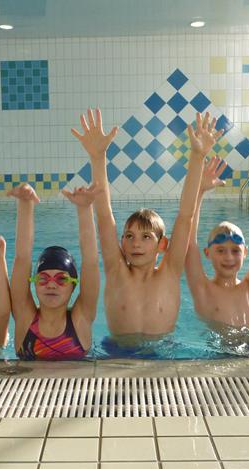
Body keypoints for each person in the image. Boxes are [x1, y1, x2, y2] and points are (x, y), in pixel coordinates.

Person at [72, 108, 222, 343]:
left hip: (163, 355)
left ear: (162, 244)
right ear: (121, 242)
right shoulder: (116, 271)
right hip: (118, 354)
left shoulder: (170, 271)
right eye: (129, 236)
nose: (136, 244)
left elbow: (186, 216)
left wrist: (197, 156)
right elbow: (104, 216)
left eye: (146, 237)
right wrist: (97, 157)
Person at [185, 156, 249, 335]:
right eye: (221, 250)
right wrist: (200, 191)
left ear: (245, 253)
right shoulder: (203, 289)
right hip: (221, 349)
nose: (229, 257)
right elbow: (189, 245)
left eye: (235, 251)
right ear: (207, 253)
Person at [7, 182, 100, 359]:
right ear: (34, 284)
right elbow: (22, 258)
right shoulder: (24, 316)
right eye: (43, 279)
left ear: (74, 286)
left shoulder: (81, 317)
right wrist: (25, 204)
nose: (51, 285)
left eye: (61, 279)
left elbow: (91, 262)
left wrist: (84, 209)